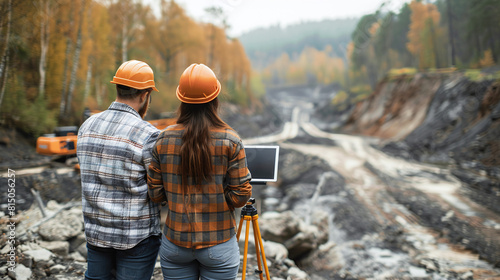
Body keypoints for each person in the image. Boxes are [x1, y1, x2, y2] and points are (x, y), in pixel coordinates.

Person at [147, 63, 252, 280]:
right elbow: (241, 195)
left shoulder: (163, 139)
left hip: (175, 244)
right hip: (219, 244)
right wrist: (219, 198)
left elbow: (156, 194)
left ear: (182, 100)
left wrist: (176, 197)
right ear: (215, 99)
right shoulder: (231, 140)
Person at [77, 60, 162, 280]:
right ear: (145, 95)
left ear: (118, 88)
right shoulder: (148, 134)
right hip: (135, 237)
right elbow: (158, 190)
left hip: (96, 232)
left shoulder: (87, 126)